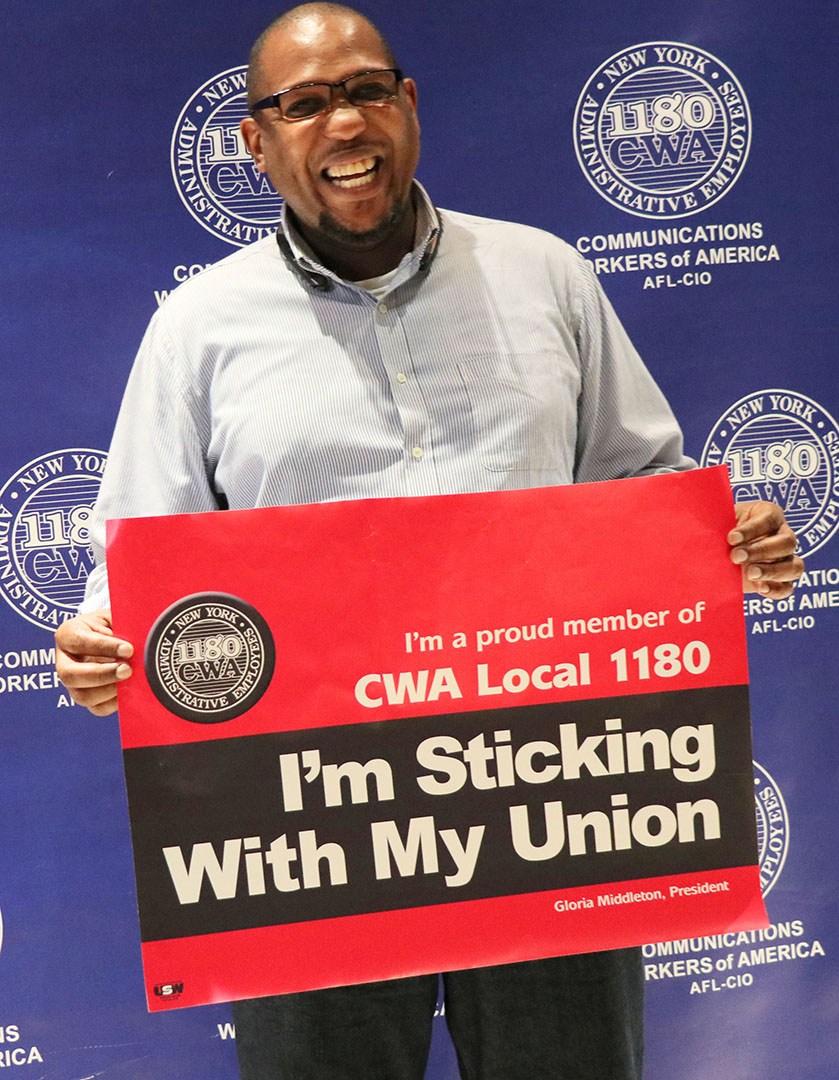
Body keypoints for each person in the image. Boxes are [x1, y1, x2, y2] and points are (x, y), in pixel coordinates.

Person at [56, 5, 802, 1078]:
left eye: (366, 90)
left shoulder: (544, 276)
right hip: (304, 824)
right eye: (303, 103)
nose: (343, 123)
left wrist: (723, 544)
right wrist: (102, 644)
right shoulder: (198, 328)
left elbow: (641, 487)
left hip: (552, 794)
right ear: (256, 142)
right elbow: (142, 564)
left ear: (407, 106)